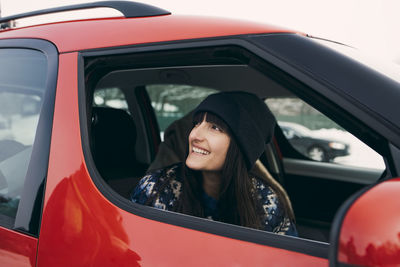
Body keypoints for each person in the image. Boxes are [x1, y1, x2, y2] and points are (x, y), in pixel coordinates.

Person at [131, 91, 297, 236]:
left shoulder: (267, 201)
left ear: (242, 146)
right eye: (197, 123)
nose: (195, 135)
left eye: (215, 128)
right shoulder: (156, 189)